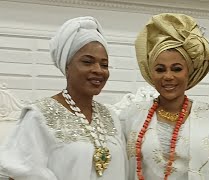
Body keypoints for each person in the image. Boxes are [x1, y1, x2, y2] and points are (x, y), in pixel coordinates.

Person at [0, 16, 127, 180]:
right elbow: (22, 173)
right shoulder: (39, 116)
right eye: (88, 62)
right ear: (67, 65)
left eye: (104, 64)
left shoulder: (111, 116)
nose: (98, 70)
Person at [120, 13, 209, 180]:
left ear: (188, 72)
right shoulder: (131, 116)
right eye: (160, 69)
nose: (168, 76)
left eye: (176, 69)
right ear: (151, 73)